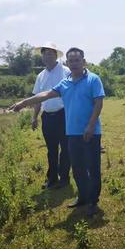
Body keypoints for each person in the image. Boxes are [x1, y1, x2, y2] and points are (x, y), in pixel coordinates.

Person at [9, 47, 105, 217]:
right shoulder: (65, 83)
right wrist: (24, 103)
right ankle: (82, 197)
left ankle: (93, 201)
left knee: (92, 168)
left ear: (83, 62)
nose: (74, 64)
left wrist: (90, 125)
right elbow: (45, 94)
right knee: (77, 168)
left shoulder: (93, 79)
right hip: (72, 133)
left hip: (91, 132)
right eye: (71, 61)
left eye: (77, 60)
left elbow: (98, 103)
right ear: (67, 63)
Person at [32, 42, 70, 189]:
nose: (47, 56)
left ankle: (64, 178)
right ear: (42, 56)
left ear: (56, 55)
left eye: (50, 53)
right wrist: (34, 117)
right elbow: (37, 99)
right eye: (45, 53)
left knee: (66, 149)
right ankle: (52, 178)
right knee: (51, 150)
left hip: (64, 115)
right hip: (47, 117)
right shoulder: (40, 76)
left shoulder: (65, 71)